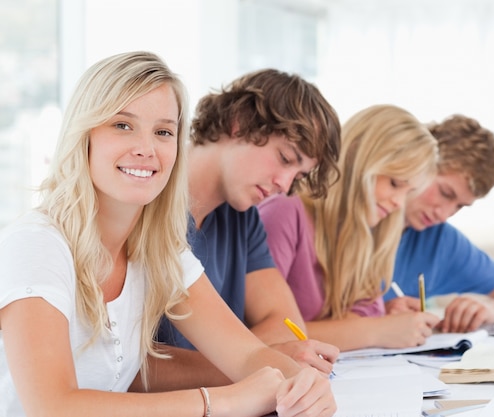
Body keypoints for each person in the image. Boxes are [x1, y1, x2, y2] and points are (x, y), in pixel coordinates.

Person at [0, 51, 335, 417]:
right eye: (122, 125)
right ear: (85, 135)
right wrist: (221, 401)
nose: (146, 149)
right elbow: (52, 407)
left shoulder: (160, 251)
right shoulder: (36, 244)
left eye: (163, 132)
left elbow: (249, 355)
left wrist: (304, 385)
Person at [155, 68, 342, 383]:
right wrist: (259, 362)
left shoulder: (242, 217)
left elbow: (285, 323)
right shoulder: (146, 203)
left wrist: (251, 360)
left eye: (297, 176)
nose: (284, 185)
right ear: (238, 122)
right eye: (285, 158)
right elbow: (128, 366)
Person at [258, 104, 441, 352]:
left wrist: (385, 320)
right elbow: (268, 335)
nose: (399, 203)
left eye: (408, 193)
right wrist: (379, 329)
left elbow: (355, 322)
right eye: (395, 183)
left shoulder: (366, 230)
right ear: (358, 160)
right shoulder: (285, 212)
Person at [384, 114, 494, 333]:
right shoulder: (355, 222)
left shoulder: (439, 240)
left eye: (459, 206)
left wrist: (491, 309)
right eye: (445, 193)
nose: (444, 215)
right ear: (418, 163)